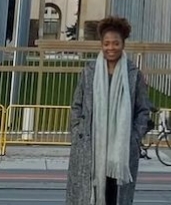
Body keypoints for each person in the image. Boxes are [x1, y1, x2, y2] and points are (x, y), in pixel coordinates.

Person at [66, 16, 153, 205]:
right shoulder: (89, 72)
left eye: (115, 43)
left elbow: (143, 110)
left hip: (120, 151)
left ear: (123, 44)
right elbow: (77, 105)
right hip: (90, 147)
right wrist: (77, 130)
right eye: (106, 43)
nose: (111, 48)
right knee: (88, 196)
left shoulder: (133, 75)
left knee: (115, 197)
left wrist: (134, 137)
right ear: (101, 45)